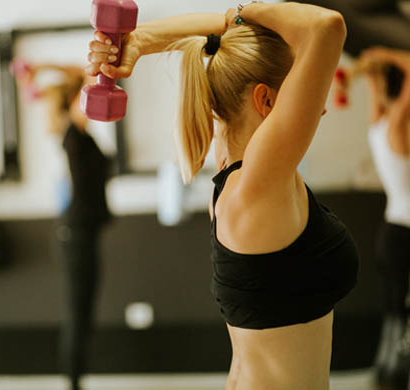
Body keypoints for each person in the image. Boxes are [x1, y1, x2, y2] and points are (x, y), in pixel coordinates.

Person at [86, 2, 359, 389]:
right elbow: (327, 26)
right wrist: (243, 11)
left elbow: (218, 39)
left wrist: (143, 40)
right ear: (265, 101)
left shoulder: (244, 177)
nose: (322, 108)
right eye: (309, 93)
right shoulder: (257, 185)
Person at [14, 62, 111, 390]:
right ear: (74, 101)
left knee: (82, 314)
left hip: (82, 233)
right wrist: (43, 68)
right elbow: (86, 74)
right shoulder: (72, 134)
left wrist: (41, 69)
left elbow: (79, 76)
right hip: (76, 234)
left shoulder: (76, 137)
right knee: (77, 314)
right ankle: (72, 383)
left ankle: (75, 380)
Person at [336, 47, 410, 389]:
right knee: (402, 314)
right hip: (404, 234)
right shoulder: (395, 127)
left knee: (396, 311)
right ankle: (394, 377)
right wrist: (387, 54)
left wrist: (371, 70)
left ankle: (388, 375)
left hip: (392, 234)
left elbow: (374, 89)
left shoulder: (377, 128)